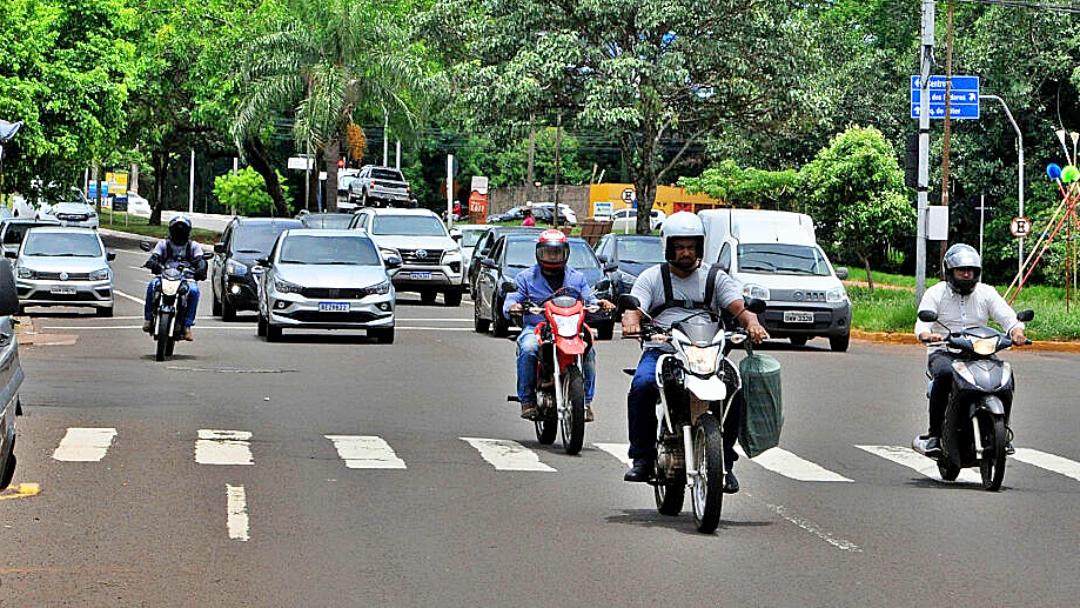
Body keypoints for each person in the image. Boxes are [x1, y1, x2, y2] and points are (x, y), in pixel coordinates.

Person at [621, 211, 769, 491]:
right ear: (668, 247)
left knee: (734, 388)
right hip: (663, 350)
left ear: (699, 247)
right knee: (641, 386)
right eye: (679, 247)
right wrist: (631, 323)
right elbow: (633, 309)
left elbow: (741, 309)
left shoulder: (716, 277)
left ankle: (724, 461)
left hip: (708, 351)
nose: (686, 252)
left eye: (691, 246)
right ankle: (641, 458)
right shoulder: (652, 277)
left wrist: (753, 324)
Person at [913, 243, 1027, 455]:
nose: (966, 274)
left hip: (978, 350)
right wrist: (928, 335)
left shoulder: (987, 293)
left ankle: (1003, 431)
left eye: (971, 271)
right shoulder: (936, 293)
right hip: (945, 351)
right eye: (961, 270)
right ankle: (935, 436)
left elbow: (1008, 318)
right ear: (950, 271)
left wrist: (1016, 332)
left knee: (1005, 378)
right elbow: (922, 324)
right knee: (945, 375)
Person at [505, 229, 615, 422]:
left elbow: (589, 298)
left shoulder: (577, 278)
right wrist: (514, 307)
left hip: (570, 328)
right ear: (539, 253)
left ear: (565, 253)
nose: (553, 256)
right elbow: (512, 299)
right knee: (529, 348)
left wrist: (600, 303)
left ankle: (586, 403)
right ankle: (527, 400)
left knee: (588, 352)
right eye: (548, 251)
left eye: (557, 252)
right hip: (537, 327)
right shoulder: (525, 277)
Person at [142, 215, 207, 341]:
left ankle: (187, 326)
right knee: (152, 286)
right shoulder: (163, 244)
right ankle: (149, 319)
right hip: (164, 276)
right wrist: (153, 263)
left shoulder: (193, 246)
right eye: (177, 228)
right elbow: (154, 256)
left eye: (183, 229)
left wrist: (201, 269)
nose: (180, 231)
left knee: (194, 291)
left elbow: (200, 260)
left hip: (186, 278)